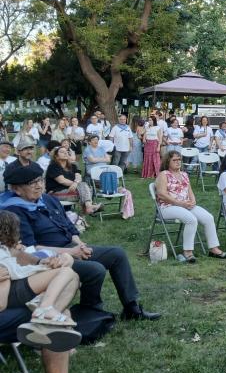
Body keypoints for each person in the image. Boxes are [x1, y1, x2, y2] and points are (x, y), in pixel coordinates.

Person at [0, 163, 160, 320]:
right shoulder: (14, 211)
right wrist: (71, 252)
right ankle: (89, 312)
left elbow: (69, 227)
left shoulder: (48, 200)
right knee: (94, 269)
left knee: (117, 254)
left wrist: (80, 245)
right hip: (48, 258)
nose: (38, 185)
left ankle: (131, 308)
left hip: (71, 247)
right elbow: (30, 248)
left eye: (40, 180)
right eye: (31, 183)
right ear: (16, 189)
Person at [0, 211, 81, 346]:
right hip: (12, 292)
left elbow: (22, 257)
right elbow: (1, 302)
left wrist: (41, 262)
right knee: (66, 273)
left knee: (71, 275)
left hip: (17, 287)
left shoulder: (7, 249)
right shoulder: (2, 256)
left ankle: (44, 322)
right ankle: (44, 308)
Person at [155, 152, 226, 262]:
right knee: (191, 219)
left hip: (185, 205)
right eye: (174, 160)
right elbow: (161, 194)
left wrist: (193, 201)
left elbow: (190, 191)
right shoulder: (163, 174)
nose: (178, 162)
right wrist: (180, 203)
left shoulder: (184, 174)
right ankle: (188, 252)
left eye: (179, 159)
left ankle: (214, 249)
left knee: (208, 218)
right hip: (167, 207)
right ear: (167, 162)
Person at [45, 147, 102, 216]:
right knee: (86, 191)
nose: (66, 153)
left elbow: (78, 176)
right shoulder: (53, 166)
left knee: (84, 186)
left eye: (67, 151)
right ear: (56, 156)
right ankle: (87, 209)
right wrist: (76, 183)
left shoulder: (73, 166)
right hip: (55, 193)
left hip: (71, 191)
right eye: (62, 152)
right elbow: (62, 181)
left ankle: (87, 208)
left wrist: (76, 183)